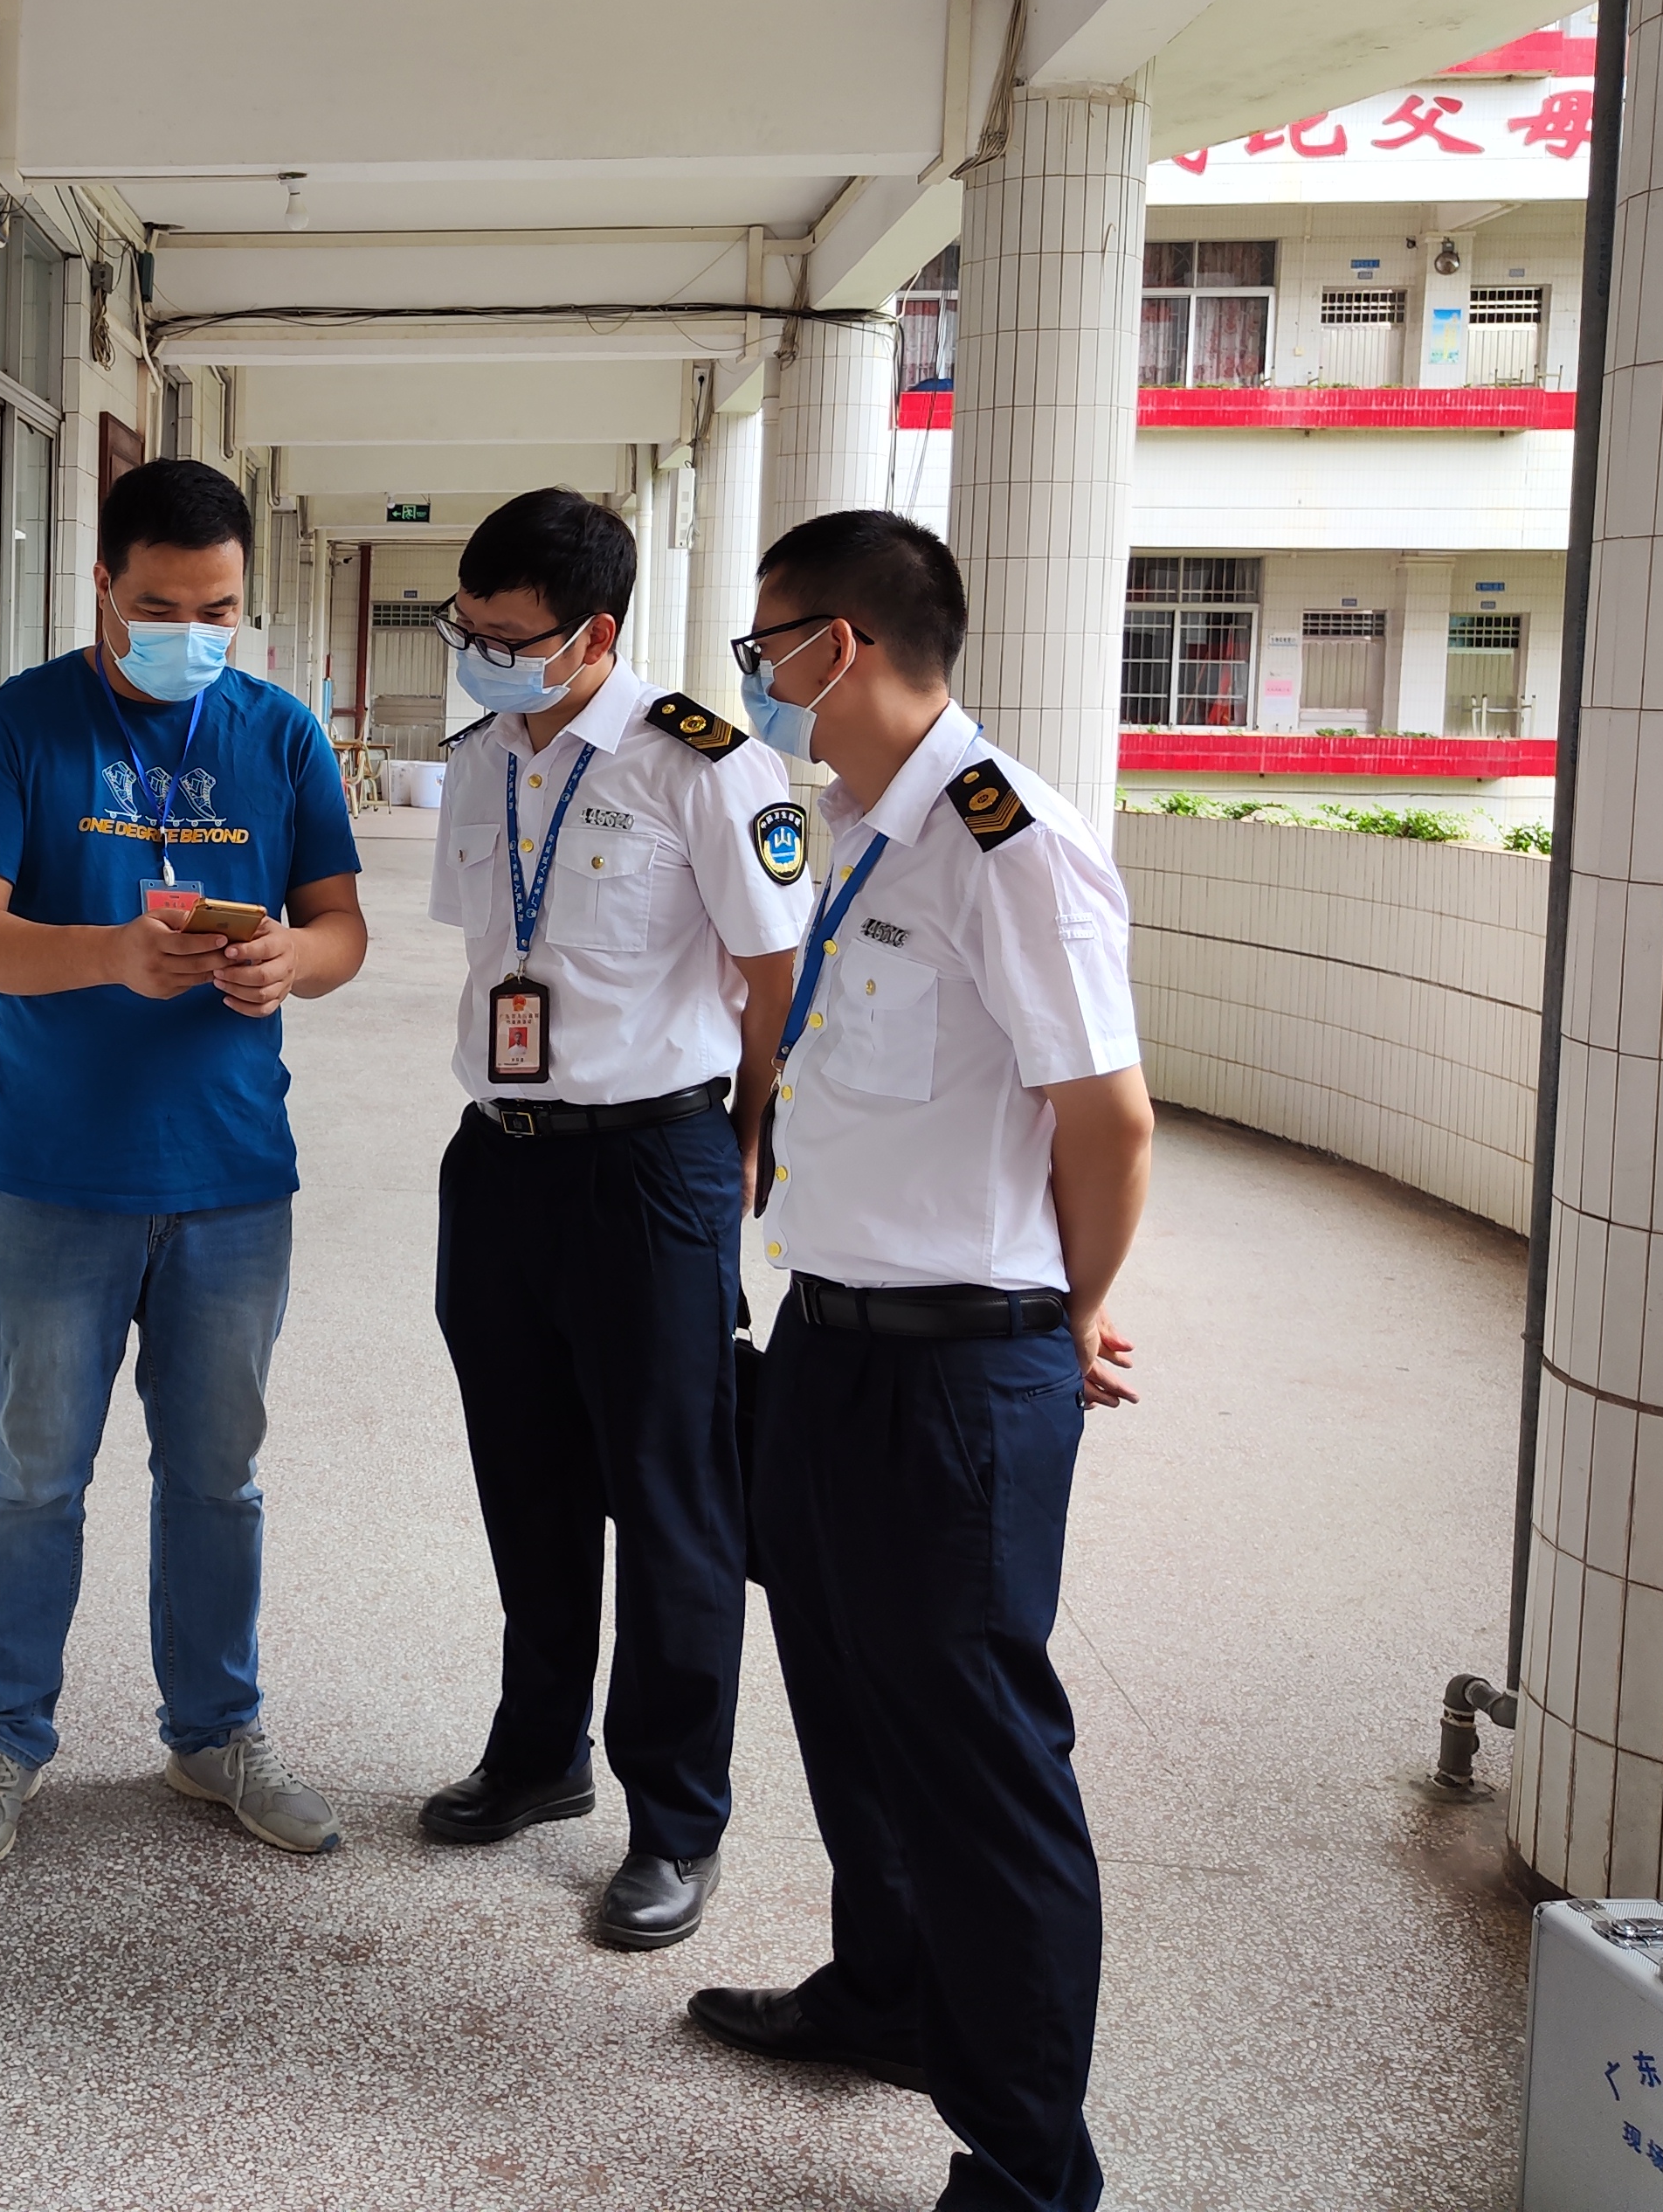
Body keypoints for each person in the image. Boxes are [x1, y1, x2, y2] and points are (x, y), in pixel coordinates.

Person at [688, 509, 1153, 2212]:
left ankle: (1029, 2170)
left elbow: (1105, 1119)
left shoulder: (1004, 838)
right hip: (829, 1347)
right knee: (843, 1698)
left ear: (847, 647)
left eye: (769, 647)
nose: (758, 678)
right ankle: (883, 1993)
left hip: (962, 1372)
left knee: (975, 1766)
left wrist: (1066, 1298)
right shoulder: (865, 828)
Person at [0, 456, 371, 1870]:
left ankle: (213, 1733)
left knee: (217, 1474)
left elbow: (344, 928)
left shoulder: (281, 736)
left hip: (233, 1177)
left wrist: (294, 961)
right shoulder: (16, 730)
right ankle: (1, 1736)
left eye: (219, 606)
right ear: (103, 585)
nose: (193, 628)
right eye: (162, 603)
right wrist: (111, 954)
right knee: (35, 1473)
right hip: (55, 1175)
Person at [417, 488, 811, 1950]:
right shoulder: (480, 764)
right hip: (498, 1162)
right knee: (522, 1474)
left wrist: (751, 1145)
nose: (481, 656)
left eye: (507, 639)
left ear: (596, 635)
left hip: (653, 1167)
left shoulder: (706, 767)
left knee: (671, 1501)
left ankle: (674, 1820)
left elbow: (777, 981)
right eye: (467, 629)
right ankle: (537, 1756)